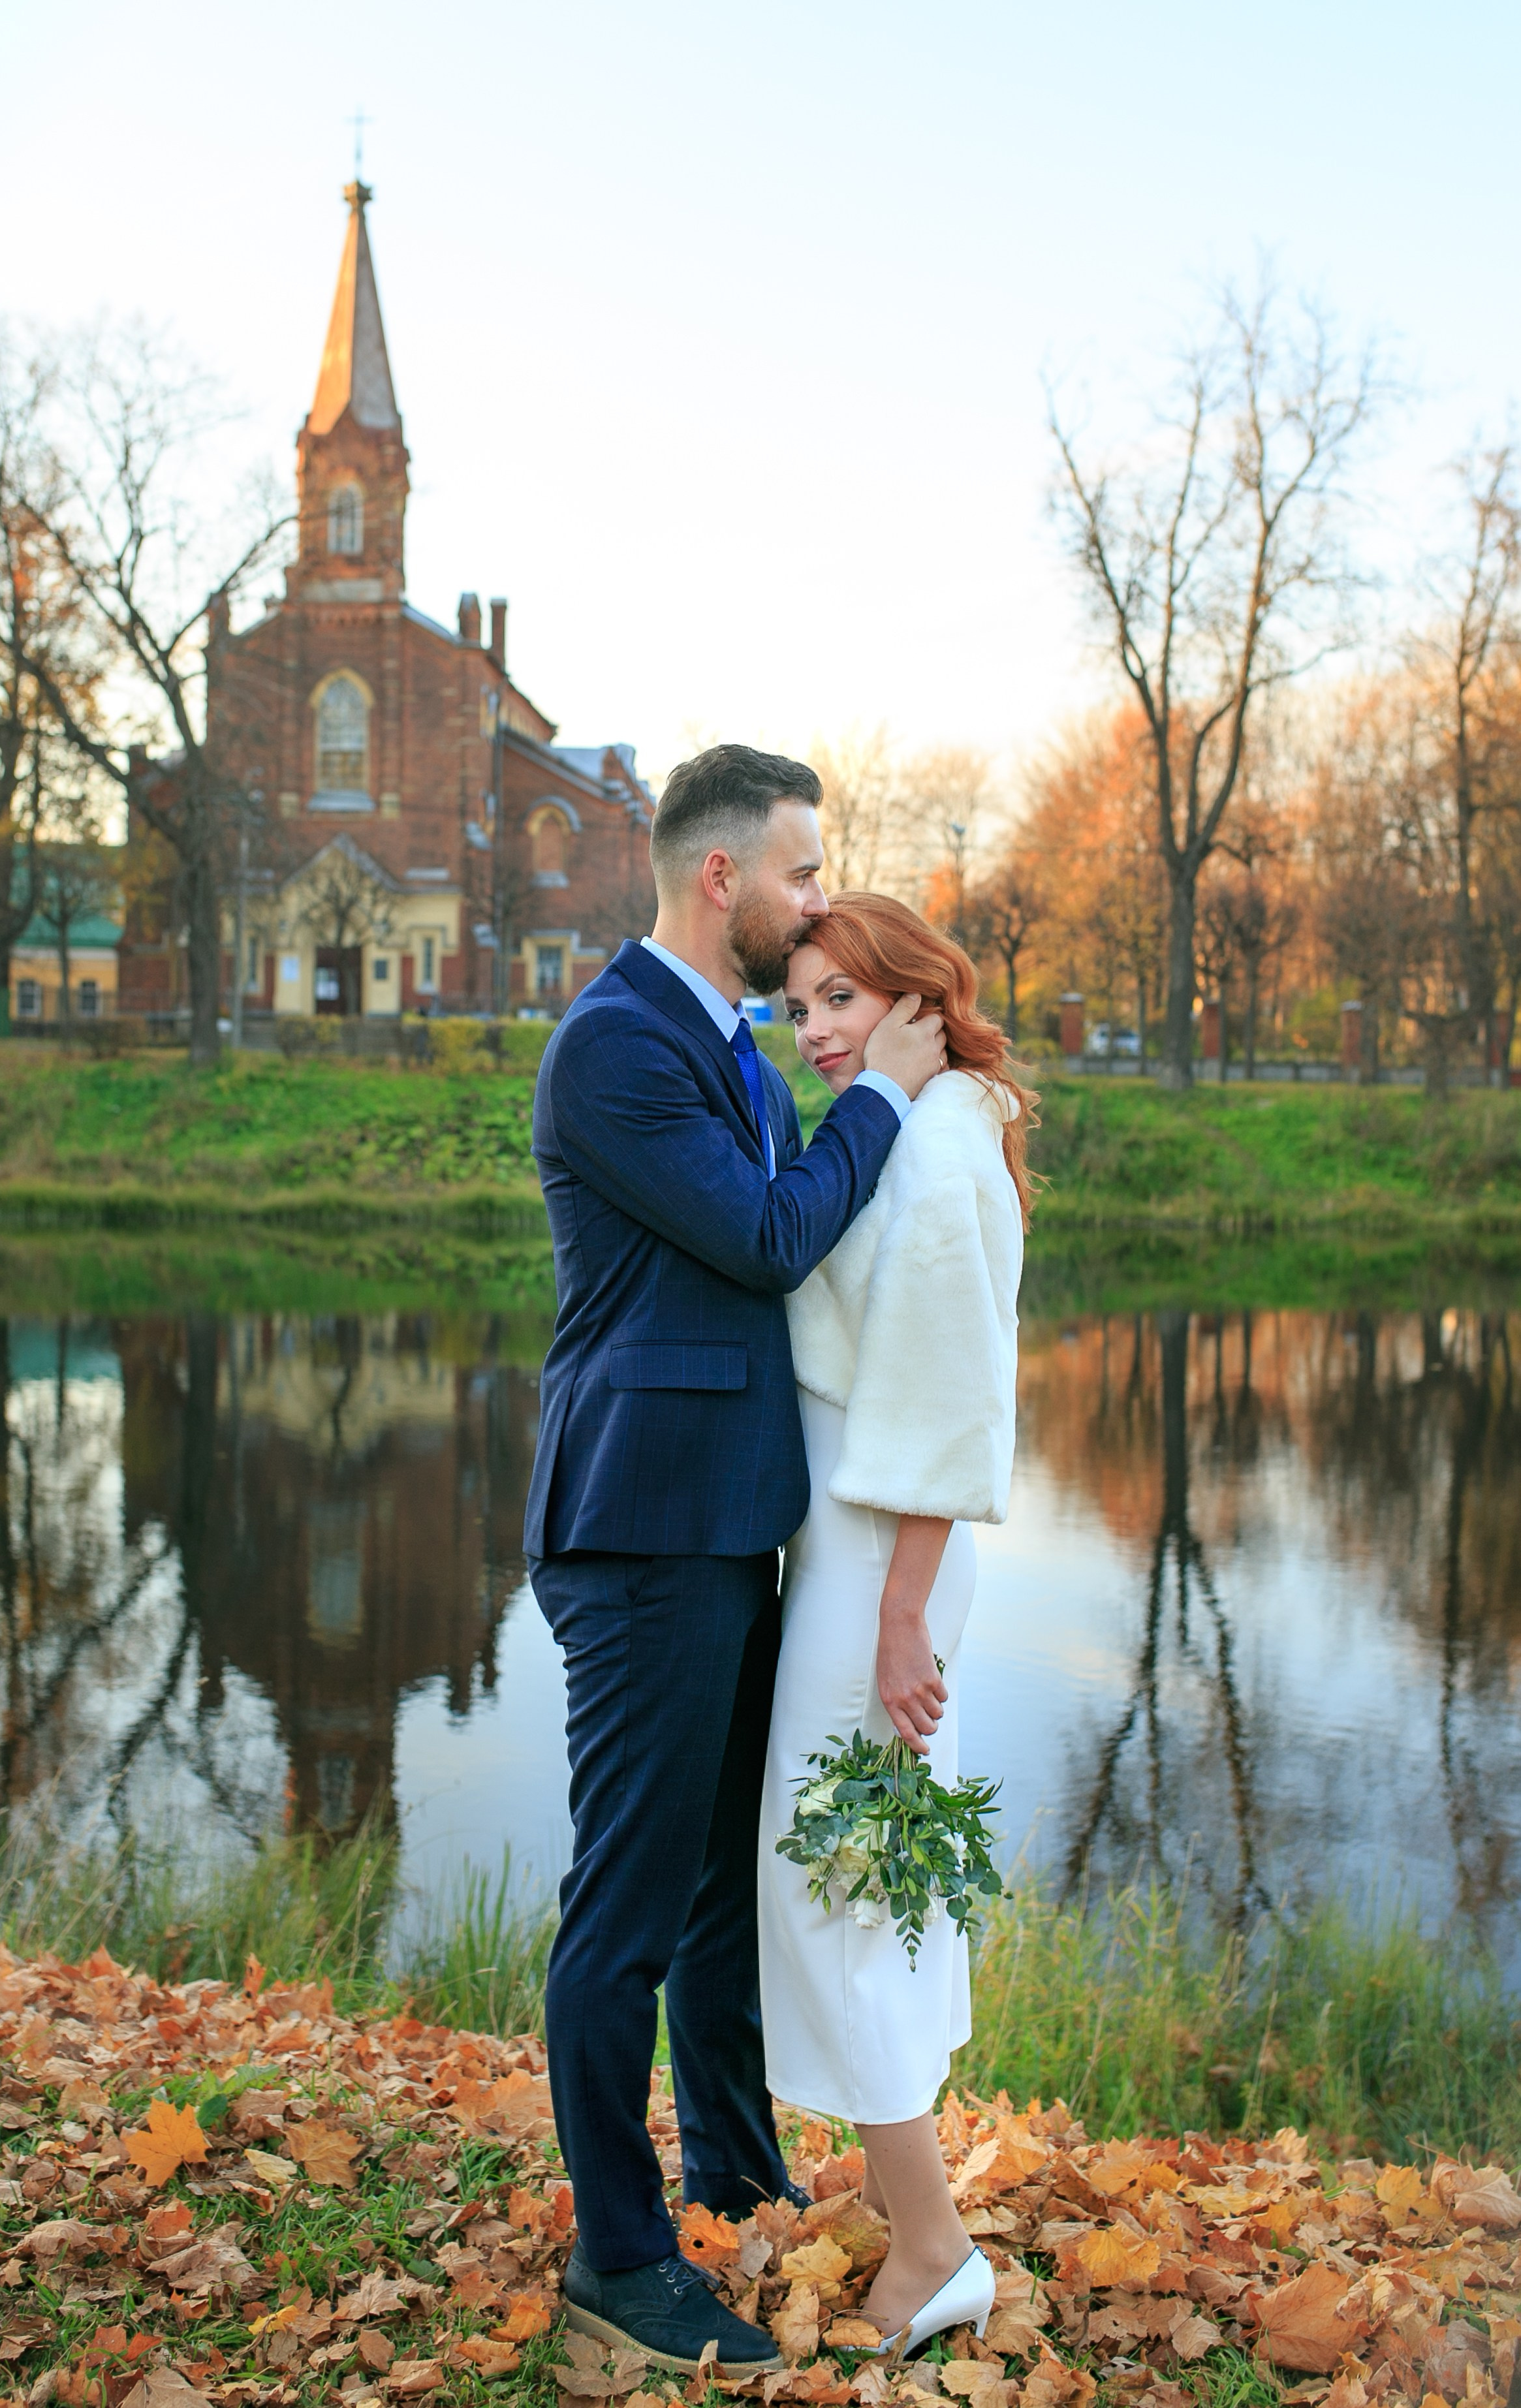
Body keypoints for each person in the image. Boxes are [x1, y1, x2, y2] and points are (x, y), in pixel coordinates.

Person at [525, 748, 947, 2377]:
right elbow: (775, 1236)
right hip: (640, 1529)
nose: (818, 897)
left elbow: (785, 1241)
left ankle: (736, 2173)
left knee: (721, 1890)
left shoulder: (730, 1044)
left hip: (726, 1519)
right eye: (804, 870)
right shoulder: (616, 1051)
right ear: (723, 880)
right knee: (624, 1908)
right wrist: (888, 1099)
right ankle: (621, 2258)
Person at [759, 892, 1035, 2358]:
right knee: (854, 1869)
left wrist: (901, 1612)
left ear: (917, 998)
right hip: (858, 1547)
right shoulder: (923, 1121)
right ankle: (905, 2198)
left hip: (883, 1554)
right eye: (799, 1007)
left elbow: (945, 1386)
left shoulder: (934, 1141)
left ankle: (932, 2246)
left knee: (833, 1877)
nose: (814, 1033)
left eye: (841, 1003)